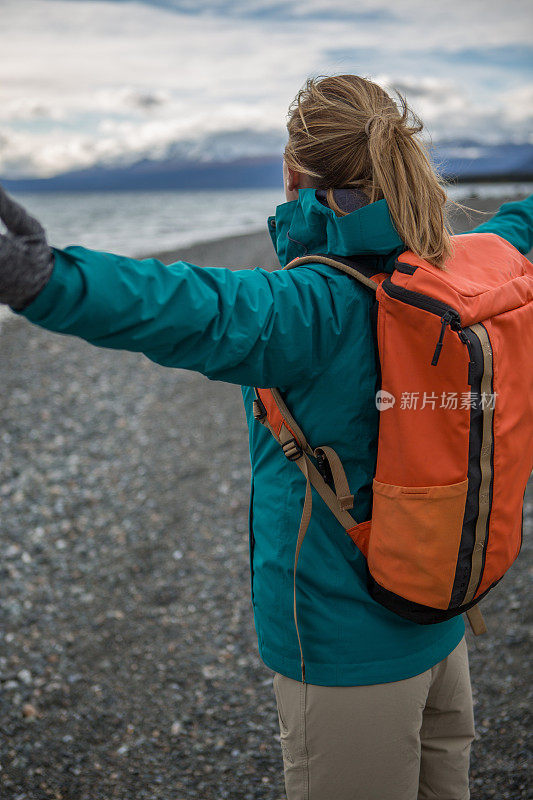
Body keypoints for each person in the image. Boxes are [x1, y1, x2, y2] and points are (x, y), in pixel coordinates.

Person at [1, 74, 532, 800]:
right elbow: (522, 222)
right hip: (445, 611)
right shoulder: (468, 266)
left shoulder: (307, 310)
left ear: (292, 172)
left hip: (343, 645)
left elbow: (183, 305)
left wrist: (45, 278)